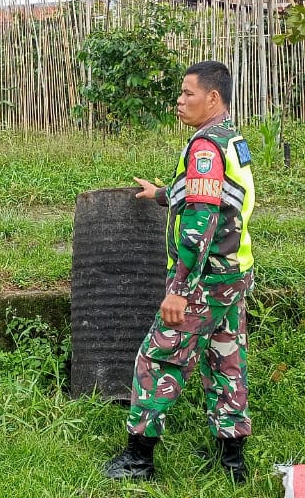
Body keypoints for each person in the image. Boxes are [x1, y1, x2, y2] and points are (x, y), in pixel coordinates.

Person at [102, 60, 257, 483]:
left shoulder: (204, 148)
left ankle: (138, 460)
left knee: (156, 358)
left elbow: (201, 221)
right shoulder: (231, 139)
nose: (179, 100)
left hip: (203, 281)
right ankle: (233, 464)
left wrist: (179, 288)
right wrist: (162, 194)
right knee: (226, 360)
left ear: (212, 97)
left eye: (188, 93)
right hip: (233, 275)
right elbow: (215, 196)